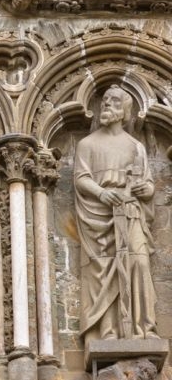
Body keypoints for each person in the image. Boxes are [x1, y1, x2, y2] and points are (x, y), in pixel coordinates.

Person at [74, 85, 158, 344]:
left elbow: (148, 182)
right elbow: (81, 178)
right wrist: (101, 193)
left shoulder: (136, 146)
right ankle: (108, 332)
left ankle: (144, 328)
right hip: (99, 214)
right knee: (104, 269)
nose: (106, 105)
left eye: (114, 101)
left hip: (131, 211)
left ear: (125, 111)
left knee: (139, 263)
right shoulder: (87, 144)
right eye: (105, 101)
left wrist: (146, 189)